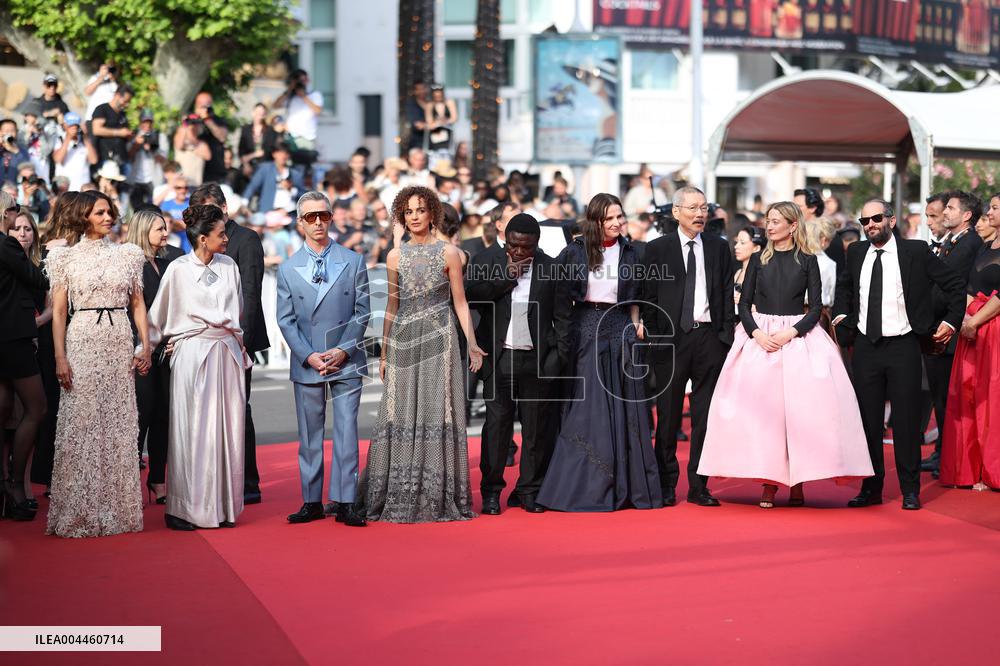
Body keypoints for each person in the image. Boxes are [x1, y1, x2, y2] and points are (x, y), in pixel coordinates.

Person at [699, 202, 872, 507]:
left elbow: (816, 308)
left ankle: (799, 481)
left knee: (801, 414)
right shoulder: (757, 260)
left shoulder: (808, 261)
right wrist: (757, 333)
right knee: (767, 417)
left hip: (798, 337)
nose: (769, 225)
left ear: (793, 226)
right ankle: (769, 482)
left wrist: (791, 332)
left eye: (776, 221)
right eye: (768, 220)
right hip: (760, 337)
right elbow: (743, 304)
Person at [354, 185, 485, 523]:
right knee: (399, 411)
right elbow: (392, 306)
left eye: (420, 210)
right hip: (403, 338)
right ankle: (397, 489)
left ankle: (437, 494)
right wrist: (383, 352)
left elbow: (460, 302)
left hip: (441, 340)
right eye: (408, 211)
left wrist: (471, 342)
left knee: (438, 410)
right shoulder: (395, 256)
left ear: (432, 215)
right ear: (402, 214)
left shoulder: (450, 253)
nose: (414, 217)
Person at [832, 198, 965, 510]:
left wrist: (949, 322)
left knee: (905, 423)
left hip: (903, 344)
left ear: (891, 220)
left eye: (876, 218)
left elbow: (955, 284)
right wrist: (840, 315)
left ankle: (910, 490)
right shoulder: (857, 252)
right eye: (865, 221)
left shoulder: (915, 252)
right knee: (868, 421)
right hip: (865, 345)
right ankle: (871, 488)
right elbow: (845, 288)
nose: (870, 225)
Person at [537, 193, 661, 512]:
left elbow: (637, 297)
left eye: (621, 216)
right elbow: (560, 299)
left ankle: (627, 486)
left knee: (626, 407)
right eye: (611, 218)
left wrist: (636, 326)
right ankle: (582, 486)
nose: (619, 223)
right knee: (587, 407)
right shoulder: (574, 252)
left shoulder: (633, 252)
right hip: (585, 327)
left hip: (620, 327)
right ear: (596, 222)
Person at [45, 191, 151, 537]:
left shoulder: (129, 255)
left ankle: (118, 511)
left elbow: (138, 304)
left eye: (109, 211)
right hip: (83, 340)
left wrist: (144, 344)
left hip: (119, 340)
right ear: (83, 217)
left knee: (119, 423)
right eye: (100, 212)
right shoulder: (65, 258)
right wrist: (60, 356)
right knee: (83, 423)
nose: (108, 217)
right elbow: (59, 311)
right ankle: (79, 511)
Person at [146, 205, 252, 530]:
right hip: (192, 353)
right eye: (221, 234)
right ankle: (182, 509)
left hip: (227, 352)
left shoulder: (230, 265)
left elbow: (239, 310)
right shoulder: (177, 269)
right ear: (203, 238)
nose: (226, 238)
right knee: (191, 431)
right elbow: (157, 318)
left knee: (228, 430)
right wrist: (142, 350)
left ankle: (222, 508)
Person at [277, 191, 370, 526]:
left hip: (347, 358)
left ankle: (346, 501)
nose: (318, 222)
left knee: (347, 430)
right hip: (309, 361)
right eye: (311, 217)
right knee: (310, 434)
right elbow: (285, 319)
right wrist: (309, 355)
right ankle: (311, 500)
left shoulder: (354, 260)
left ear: (332, 218)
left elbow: (363, 312)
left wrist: (344, 349)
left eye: (324, 216)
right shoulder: (288, 269)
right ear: (300, 222)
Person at [640, 186, 735, 507]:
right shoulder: (656, 249)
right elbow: (648, 296)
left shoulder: (719, 247)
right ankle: (666, 485)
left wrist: (725, 336)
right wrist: (656, 335)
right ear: (676, 212)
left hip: (709, 339)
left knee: (705, 417)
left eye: (703, 208)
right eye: (693, 208)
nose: (699, 214)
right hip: (671, 339)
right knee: (667, 416)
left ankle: (699, 485)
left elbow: (724, 292)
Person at [465, 213, 565, 514]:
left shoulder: (551, 267)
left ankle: (529, 490)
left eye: (526, 247)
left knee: (536, 430)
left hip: (538, 359)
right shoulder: (487, 259)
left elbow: (563, 318)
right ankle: (492, 490)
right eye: (513, 245)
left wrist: (556, 359)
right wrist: (507, 276)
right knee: (497, 428)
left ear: (536, 244)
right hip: (500, 357)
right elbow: (472, 297)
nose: (519, 252)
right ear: (505, 239)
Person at [189, 183, 269, 505]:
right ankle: (216, 479)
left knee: (239, 411)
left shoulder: (245, 240)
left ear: (224, 207)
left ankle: (248, 482)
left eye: (210, 210)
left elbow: (250, 293)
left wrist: (243, 342)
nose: (206, 217)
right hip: (206, 344)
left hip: (237, 341)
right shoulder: (198, 239)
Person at [940, 192, 1000, 489]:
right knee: (970, 397)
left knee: (994, 400)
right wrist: (966, 318)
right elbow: (970, 287)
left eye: (995, 208)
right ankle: (971, 468)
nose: (988, 212)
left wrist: (975, 321)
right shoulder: (987, 247)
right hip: (972, 330)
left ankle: (993, 471)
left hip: (992, 331)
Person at [921, 191, 983, 476]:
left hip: (949, 329)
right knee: (940, 397)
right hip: (938, 328)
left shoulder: (968, 244)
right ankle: (941, 452)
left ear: (966, 215)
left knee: (947, 397)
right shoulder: (952, 243)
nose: (944, 212)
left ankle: (948, 455)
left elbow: (946, 285)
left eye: (950, 208)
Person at [125, 209, 184, 505]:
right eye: (159, 229)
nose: (165, 233)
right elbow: (128, 310)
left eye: (166, 228)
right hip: (139, 352)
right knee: (140, 416)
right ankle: (128, 482)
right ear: (143, 230)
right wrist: (141, 346)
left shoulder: (170, 260)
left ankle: (158, 480)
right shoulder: (129, 262)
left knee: (164, 416)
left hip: (168, 350)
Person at [0, 193, 49, 520]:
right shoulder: (7, 246)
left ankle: (6, 486)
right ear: (5, 213)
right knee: (37, 408)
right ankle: (16, 484)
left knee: (3, 410)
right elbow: (38, 279)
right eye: (13, 212)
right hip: (13, 338)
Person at [273, 69, 323, 165]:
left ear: (307, 80)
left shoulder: (314, 95)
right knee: (289, 165)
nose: (300, 83)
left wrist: (304, 97)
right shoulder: (291, 97)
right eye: (298, 81)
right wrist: (289, 90)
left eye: (302, 80)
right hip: (290, 137)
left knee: (305, 166)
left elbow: (318, 110)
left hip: (306, 138)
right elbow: (275, 105)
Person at [242, 143, 305, 212]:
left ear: (288, 156)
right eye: (280, 153)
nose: (283, 156)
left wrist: (291, 189)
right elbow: (253, 186)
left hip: (289, 213)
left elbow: (302, 197)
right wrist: (243, 204)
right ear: (274, 154)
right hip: (267, 213)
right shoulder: (265, 169)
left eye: (285, 153)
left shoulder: (295, 174)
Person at [90, 84, 134, 168]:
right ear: (117, 95)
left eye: (128, 102)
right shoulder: (102, 109)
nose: (126, 105)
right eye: (125, 101)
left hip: (122, 159)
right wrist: (119, 133)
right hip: (108, 159)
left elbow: (126, 135)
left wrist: (129, 135)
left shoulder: (123, 115)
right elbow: (96, 130)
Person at [52, 113, 96, 192]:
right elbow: (58, 160)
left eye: (75, 126)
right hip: (65, 188)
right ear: (64, 125)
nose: (73, 128)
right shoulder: (60, 139)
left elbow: (93, 160)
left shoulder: (84, 141)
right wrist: (68, 137)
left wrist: (85, 136)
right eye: (70, 126)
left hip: (83, 187)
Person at [238, 103, 277, 176]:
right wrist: (247, 163)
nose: (260, 115)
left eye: (262, 113)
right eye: (258, 113)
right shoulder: (246, 129)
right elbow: (241, 150)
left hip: (265, 165)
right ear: (253, 113)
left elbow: (270, 149)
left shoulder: (270, 130)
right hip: (249, 164)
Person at [172, 115, 211, 186]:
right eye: (193, 123)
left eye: (196, 124)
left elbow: (208, 156)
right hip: (180, 184)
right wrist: (185, 125)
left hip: (195, 184)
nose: (194, 126)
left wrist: (193, 147)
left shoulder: (201, 143)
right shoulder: (180, 137)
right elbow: (179, 145)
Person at [733, 225, 765, 307]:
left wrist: (747, 303)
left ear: (756, 248)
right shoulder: (738, 272)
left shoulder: (762, 275)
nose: (736, 246)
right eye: (736, 242)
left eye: (742, 243)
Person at [425, 84, 457, 160]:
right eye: (436, 96)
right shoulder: (430, 105)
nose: (438, 97)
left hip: (447, 135)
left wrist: (446, 121)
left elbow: (454, 118)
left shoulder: (449, 102)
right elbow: (429, 122)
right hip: (435, 136)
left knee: (447, 157)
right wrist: (438, 123)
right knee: (434, 158)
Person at [405, 80, 429, 150]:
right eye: (418, 89)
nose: (422, 91)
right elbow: (417, 125)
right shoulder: (411, 104)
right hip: (417, 142)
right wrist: (432, 125)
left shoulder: (431, 103)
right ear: (414, 91)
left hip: (432, 141)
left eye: (423, 88)